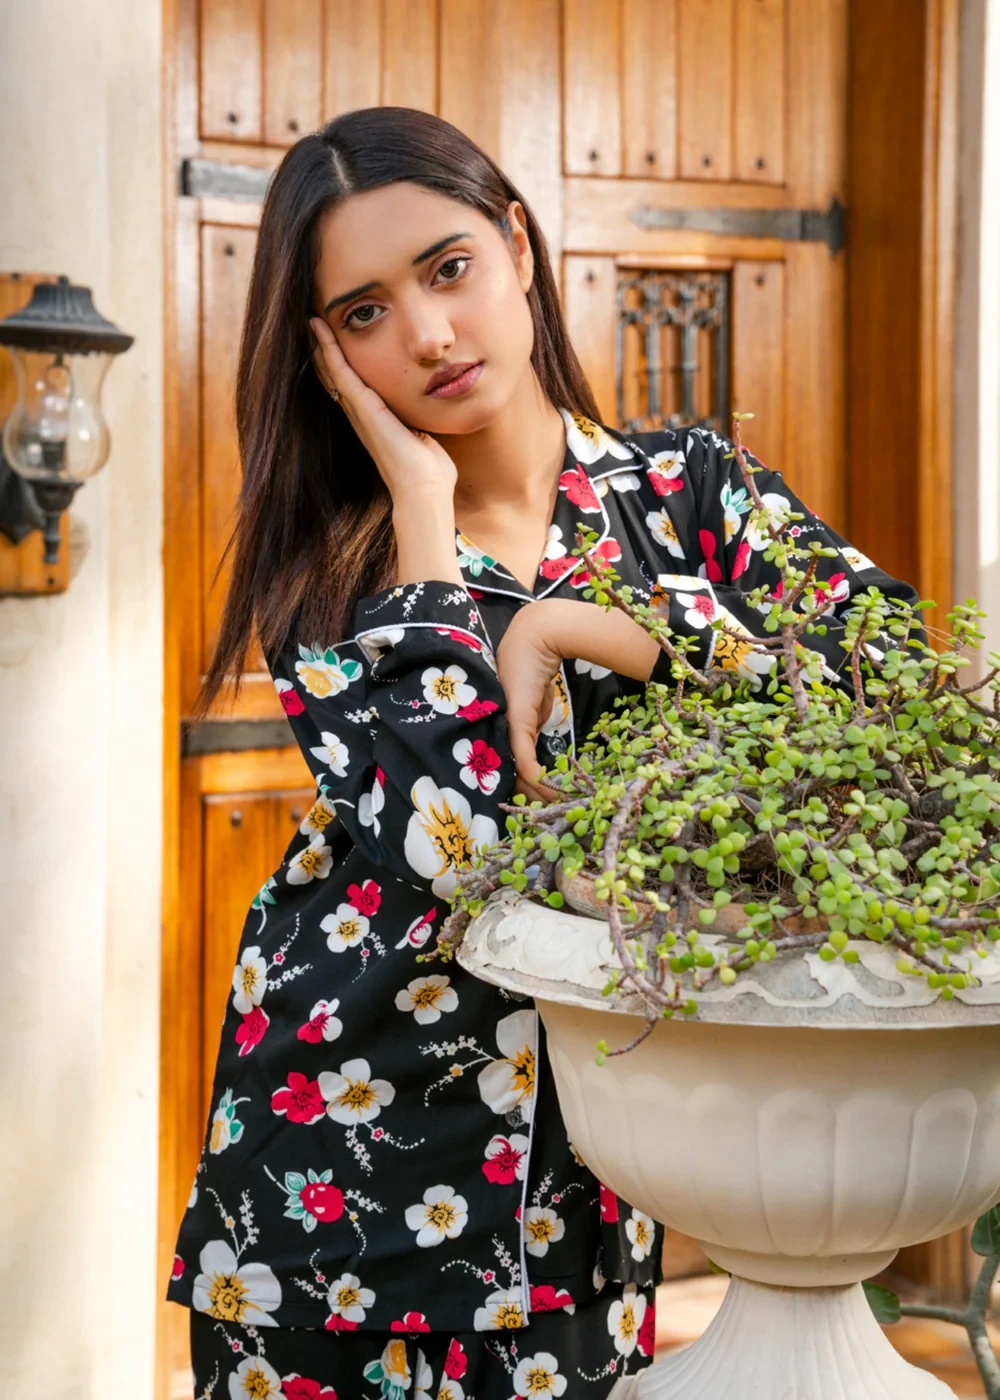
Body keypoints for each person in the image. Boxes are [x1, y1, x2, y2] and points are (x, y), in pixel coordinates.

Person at [167, 106, 920, 1400]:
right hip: (330, 1188)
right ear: (327, 356)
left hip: (585, 1186)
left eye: (448, 268)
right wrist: (421, 516)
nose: (428, 334)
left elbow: (901, 686)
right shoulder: (329, 575)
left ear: (517, 246)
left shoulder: (687, 495)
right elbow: (461, 852)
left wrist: (602, 631)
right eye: (365, 312)